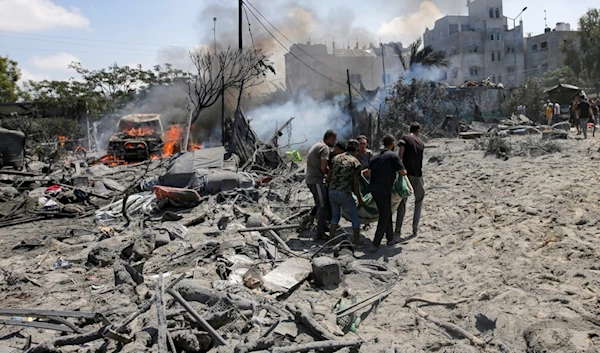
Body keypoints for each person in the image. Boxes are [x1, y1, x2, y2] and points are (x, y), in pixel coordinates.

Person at [368, 135, 407, 251]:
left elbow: (369, 174)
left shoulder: (374, 157)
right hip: (384, 189)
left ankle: (390, 238)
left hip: (374, 189)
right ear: (392, 143)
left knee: (386, 212)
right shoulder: (393, 156)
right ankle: (375, 243)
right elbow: (403, 172)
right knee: (384, 215)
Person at [328, 139, 364, 246]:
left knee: (335, 217)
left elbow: (329, 175)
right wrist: (359, 198)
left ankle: (331, 239)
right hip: (344, 193)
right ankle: (357, 240)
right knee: (354, 216)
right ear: (356, 150)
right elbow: (355, 184)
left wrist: (330, 186)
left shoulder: (336, 158)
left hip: (332, 192)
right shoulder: (355, 162)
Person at [395, 122, 426, 239]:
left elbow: (400, 155)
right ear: (418, 130)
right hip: (418, 174)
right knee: (419, 200)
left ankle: (397, 230)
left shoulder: (405, 138)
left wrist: (398, 169)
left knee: (402, 202)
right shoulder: (421, 143)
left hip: (406, 174)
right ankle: (415, 228)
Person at [306, 130, 337, 239]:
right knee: (322, 206)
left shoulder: (318, 145)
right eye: (334, 139)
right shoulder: (324, 148)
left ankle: (323, 226)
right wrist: (331, 175)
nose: (335, 142)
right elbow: (323, 167)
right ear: (331, 138)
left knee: (322, 204)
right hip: (316, 180)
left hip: (312, 179)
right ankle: (320, 233)